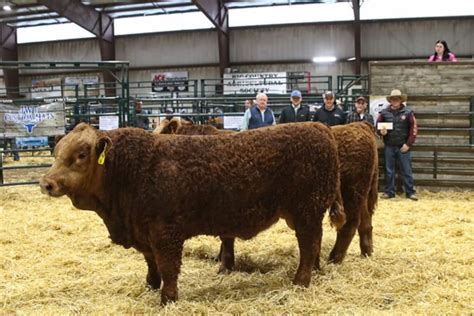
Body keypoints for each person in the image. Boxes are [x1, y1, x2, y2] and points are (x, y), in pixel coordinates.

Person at [378, 89, 418, 201]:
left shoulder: (408, 113)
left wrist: (408, 144)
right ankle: (389, 192)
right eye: (393, 99)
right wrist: (381, 131)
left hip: (403, 146)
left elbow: (413, 129)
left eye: (397, 99)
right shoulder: (384, 113)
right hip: (389, 145)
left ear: (401, 100)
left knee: (406, 170)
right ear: (390, 100)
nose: (395, 101)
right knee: (389, 170)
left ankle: (410, 192)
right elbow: (378, 126)